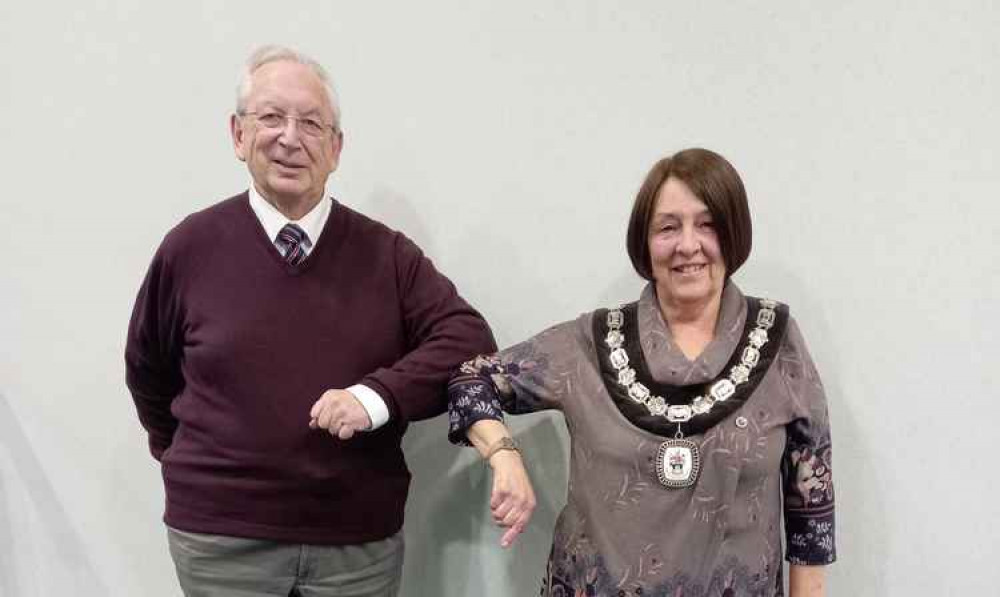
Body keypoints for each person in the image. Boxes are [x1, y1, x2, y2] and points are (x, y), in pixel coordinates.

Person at [125, 45, 495, 597]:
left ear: (336, 148)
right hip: (221, 541)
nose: (290, 138)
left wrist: (375, 399)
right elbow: (148, 371)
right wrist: (195, 460)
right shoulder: (190, 248)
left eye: (312, 123)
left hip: (355, 541)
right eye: (271, 117)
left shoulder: (387, 255)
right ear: (238, 135)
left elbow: (467, 339)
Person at [447, 148, 835, 596]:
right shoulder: (590, 344)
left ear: (733, 233)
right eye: (668, 227)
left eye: (707, 224)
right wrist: (504, 454)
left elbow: (811, 519)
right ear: (645, 244)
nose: (688, 245)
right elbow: (470, 380)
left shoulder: (777, 341)